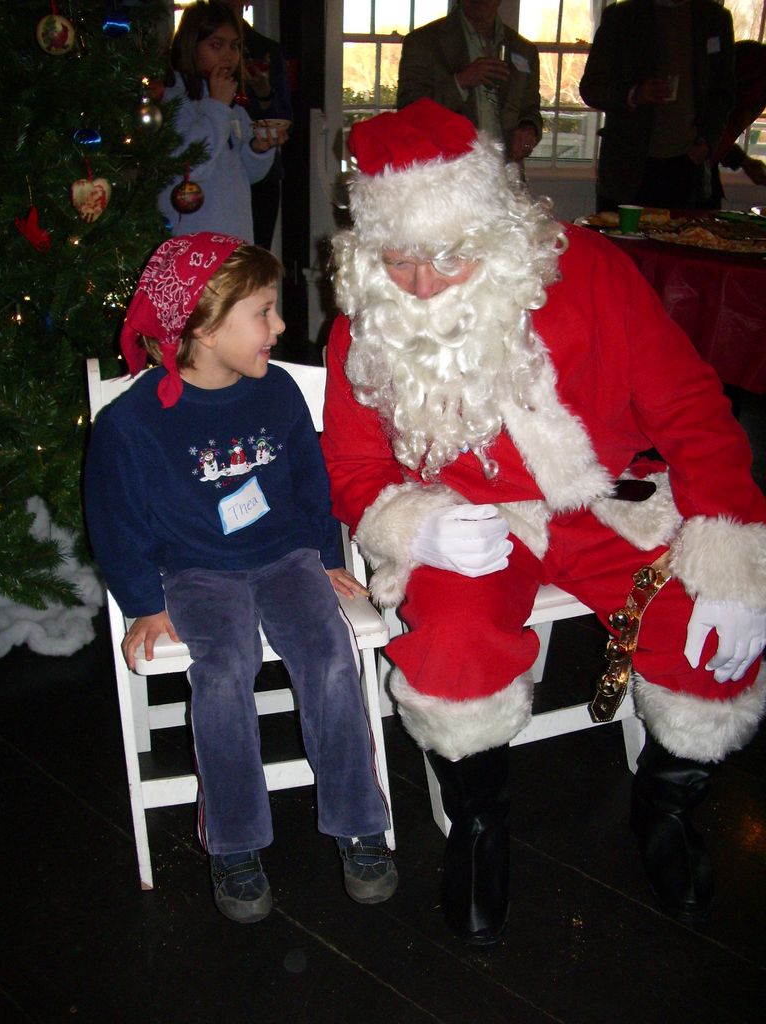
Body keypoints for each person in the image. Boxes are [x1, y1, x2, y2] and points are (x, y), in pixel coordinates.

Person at [320, 98, 766, 945]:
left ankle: (666, 809)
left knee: (707, 632)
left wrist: (734, 557)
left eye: (446, 257)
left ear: (491, 229)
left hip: (602, 502)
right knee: (452, 645)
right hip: (470, 522)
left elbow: (691, 410)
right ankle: (479, 824)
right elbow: (352, 466)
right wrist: (414, 526)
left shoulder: (590, 273)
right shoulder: (367, 321)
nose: (421, 284)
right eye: (399, 259)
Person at [84, 232, 397, 924]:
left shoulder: (277, 390)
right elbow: (115, 519)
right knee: (223, 674)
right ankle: (234, 842)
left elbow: (310, 482)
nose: (280, 326)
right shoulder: (132, 422)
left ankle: (358, 822)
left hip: (286, 557)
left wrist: (328, 555)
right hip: (195, 572)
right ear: (202, 326)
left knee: (331, 658)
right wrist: (142, 603)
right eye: (263, 312)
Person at [579, 0, 736, 211]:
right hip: (628, 169)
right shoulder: (622, 17)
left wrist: (706, 144)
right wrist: (635, 94)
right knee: (618, 234)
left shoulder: (715, 18)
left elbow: (723, 94)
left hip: (688, 168)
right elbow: (592, 88)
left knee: (686, 233)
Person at [158, 1, 285, 241]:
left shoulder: (233, 105)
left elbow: (251, 174)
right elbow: (190, 167)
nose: (228, 55)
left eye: (234, 46)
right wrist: (217, 106)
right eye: (216, 45)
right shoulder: (173, 100)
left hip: (234, 234)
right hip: (192, 237)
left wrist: (258, 149)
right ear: (191, 46)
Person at [396, 0, 542, 164]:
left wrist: (528, 129)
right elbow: (408, 112)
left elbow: (530, 110)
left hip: (505, 171)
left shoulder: (523, 50)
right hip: (449, 172)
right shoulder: (423, 43)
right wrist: (461, 82)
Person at [218, 0, 293, 249]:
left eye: (233, 46)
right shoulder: (196, 53)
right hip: (211, 177)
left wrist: (264, 93)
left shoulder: (266, 49)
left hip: (261, 173)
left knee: (256, 256)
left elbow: (284, 118)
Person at [708, 40, 766, 207]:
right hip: (686, 166)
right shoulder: (753, 62)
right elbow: (712, 128)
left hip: (702, 166)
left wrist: (743, 161)